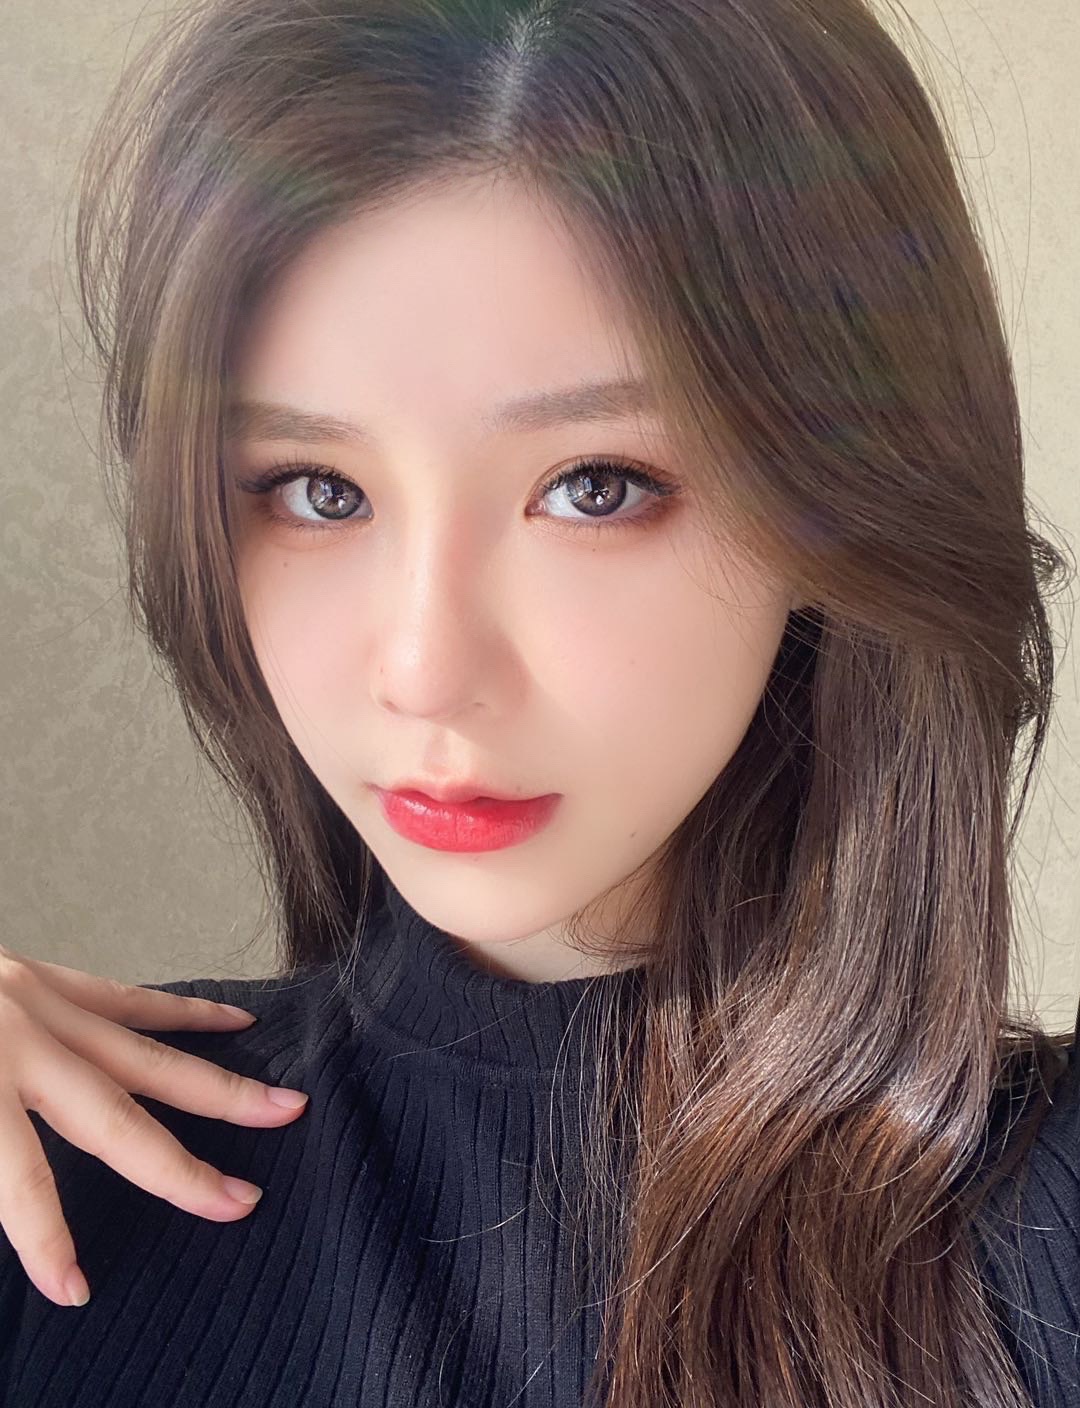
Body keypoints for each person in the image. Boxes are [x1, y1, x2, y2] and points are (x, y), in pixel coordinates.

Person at [1, 0, 1076, 1404]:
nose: (424, 668)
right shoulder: (58, 1180)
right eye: (319, 491)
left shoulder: (1044, 1229)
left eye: (595, 487)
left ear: (843, 508)